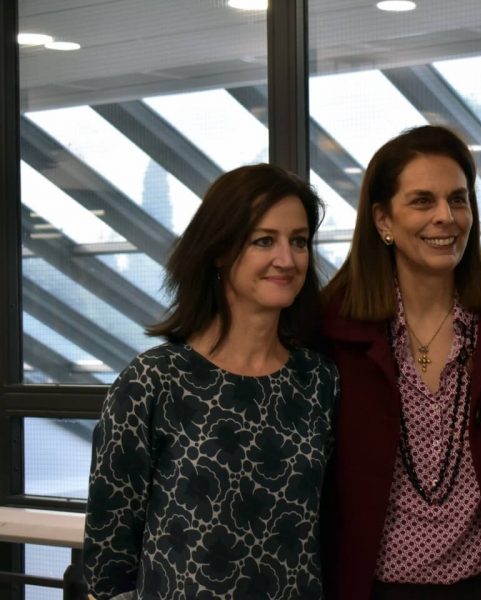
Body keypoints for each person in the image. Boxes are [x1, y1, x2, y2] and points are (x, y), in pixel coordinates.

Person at [83, 164, 338, 599]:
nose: (287, 258)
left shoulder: (319, 380)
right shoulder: (154, 381)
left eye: (298, 241)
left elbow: (332, 529)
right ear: (220, 251)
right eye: (264, 241)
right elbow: (108, 560)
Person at [321, 125, 481, 599]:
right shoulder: (329, 324)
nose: (447, 217)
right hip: (374, 588)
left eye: (459, 199)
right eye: (423, 201)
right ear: (383, 219)